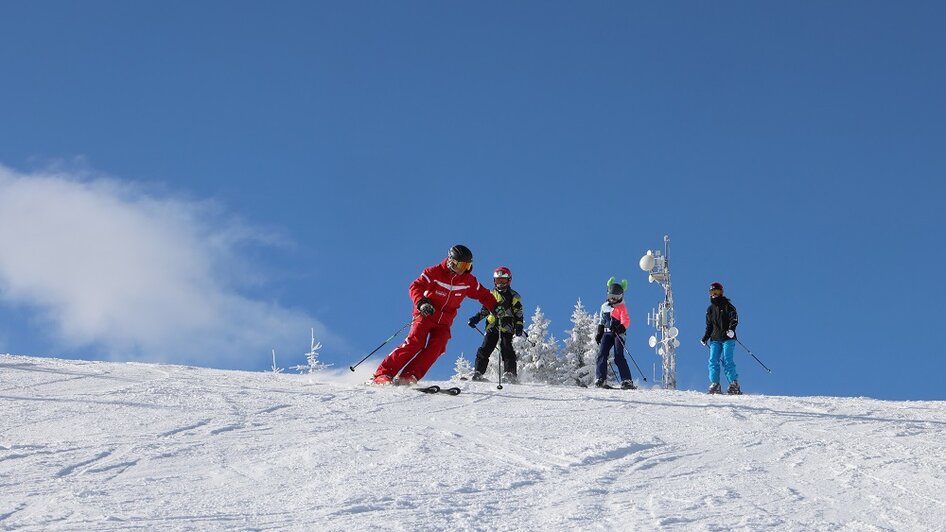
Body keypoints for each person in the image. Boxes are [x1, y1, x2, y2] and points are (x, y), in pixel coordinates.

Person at [373, 245, 498, 385]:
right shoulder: (434, 272)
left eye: (468, 265)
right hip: (426, 314)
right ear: (452, 261)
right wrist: (422, 303)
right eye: (462, 264)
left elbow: (484, 295)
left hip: (444, 321)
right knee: (415, 342)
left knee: (438, 345)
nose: (464, 269)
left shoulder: (468, 280)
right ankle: (383, 374)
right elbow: (415, 286)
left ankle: (409, 376)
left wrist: (496, 308)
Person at [468, 266, 525, 383]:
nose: (500, 283)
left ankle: (510, 374)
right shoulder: (490, 294)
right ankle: (478, 372)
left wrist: (519, 325)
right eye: (498, 281)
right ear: (494, 281)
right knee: (485, 348)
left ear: (509, 281)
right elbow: (485, 310)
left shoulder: (514, 296)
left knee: (506, 348)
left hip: (506, 326)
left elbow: (518, 312)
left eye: (503, 281)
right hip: (492, 326)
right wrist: (476, 318)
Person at [594, 277, 636, 389]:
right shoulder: (604, 307)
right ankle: (600, 378)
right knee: (602, 354)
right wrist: (599, 333)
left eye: (616, 297)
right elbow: (601, 320)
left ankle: (627, 380)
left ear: (621, 297)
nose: (612, 299)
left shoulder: (622, 307)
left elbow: (626, 321)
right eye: (610, 296)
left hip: (618, 334)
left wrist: (619, 328)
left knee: (618, 356)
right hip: (607, 334)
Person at [701, 282, 741, 395]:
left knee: (727, 360)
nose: (714, 294)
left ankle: (733, 383)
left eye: (716, 292)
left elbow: (734, 319)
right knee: (713, 361)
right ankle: (715, 384)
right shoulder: (710, 310)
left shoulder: (728, 306)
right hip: (715, 339)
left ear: (721, 293)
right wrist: (705, 337)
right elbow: (709, 326)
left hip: (728, 338)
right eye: (712, 292)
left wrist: (731, 330)